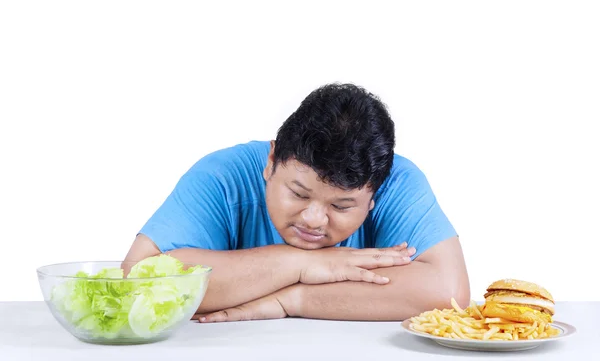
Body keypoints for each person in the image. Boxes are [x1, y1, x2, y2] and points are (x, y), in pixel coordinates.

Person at [123, 83, 470, 323]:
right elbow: (135, 280)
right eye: (299, 194)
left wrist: (292, 299)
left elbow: (447, 291)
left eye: (342, 207)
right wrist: (298, 264)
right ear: (272, 161)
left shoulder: (399, 179)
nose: (314, 219)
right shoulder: (222, 175)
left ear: (374, 195)